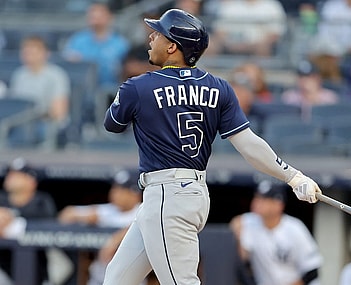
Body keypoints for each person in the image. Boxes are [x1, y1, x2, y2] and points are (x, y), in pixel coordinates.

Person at [102, 8, 322, 285]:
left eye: (157, 34)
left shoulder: (138, 86)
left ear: (172, 46)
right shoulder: (219, 87)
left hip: (167, 195)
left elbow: (112, 124)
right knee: (117, 279)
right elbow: (249, 145)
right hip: (189, 194)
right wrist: (292, 175)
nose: (150, 38)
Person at [58, 168, 143, 285]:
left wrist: (114, 240)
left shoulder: (142, 210)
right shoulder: (107, 211)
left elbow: (143, 224)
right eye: (114, 188)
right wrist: (85, 217)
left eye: (121, 190)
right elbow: (66, 214)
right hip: (100, 277)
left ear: (134, 193)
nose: (114, 193)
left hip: (130, 278)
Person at [230, 180, 323, 285]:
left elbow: (312, 271)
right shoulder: (249, 222)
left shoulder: (294, 228)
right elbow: (242, 260)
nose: (257, 203)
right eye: (257, 198)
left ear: (278, 204)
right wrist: (236, 232)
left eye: (264, 199)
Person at [0, 157, 57, 284]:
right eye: (10, 173)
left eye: (17, 175)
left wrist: (12, 218)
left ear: (31, 181)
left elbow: (50, 227)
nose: (11, 177)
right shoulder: (1, 199)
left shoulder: (42, 202)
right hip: (3, 269)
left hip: (37, 272)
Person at [8, 35, 71, 149]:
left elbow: (59, 113)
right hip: (20, 125)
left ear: (45, 53)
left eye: (33, 52)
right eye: (25, 52)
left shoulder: (56, 75)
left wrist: (35, 114)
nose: (28, 56)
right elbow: (13, 107)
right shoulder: (19, 75)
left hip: (44, 124)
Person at [62, 1, 130, 88]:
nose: (95, 19)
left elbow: (125, 70)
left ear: (109, 17)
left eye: (99, 15)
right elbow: (68, 62)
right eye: (92, 15)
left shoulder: (121, 44)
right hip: (83, 91)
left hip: (112, 91)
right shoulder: (78, 40)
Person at [206, 0, 287, 57]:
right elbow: (220, 31)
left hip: (258, 46)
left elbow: (275, 34)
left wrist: (252, 45)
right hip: (231, 45)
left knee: (263, 48)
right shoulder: (230, 5)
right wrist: (231, 44)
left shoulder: (272, 5)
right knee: (209, 44)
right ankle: (206, 77)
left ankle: (260, 76)